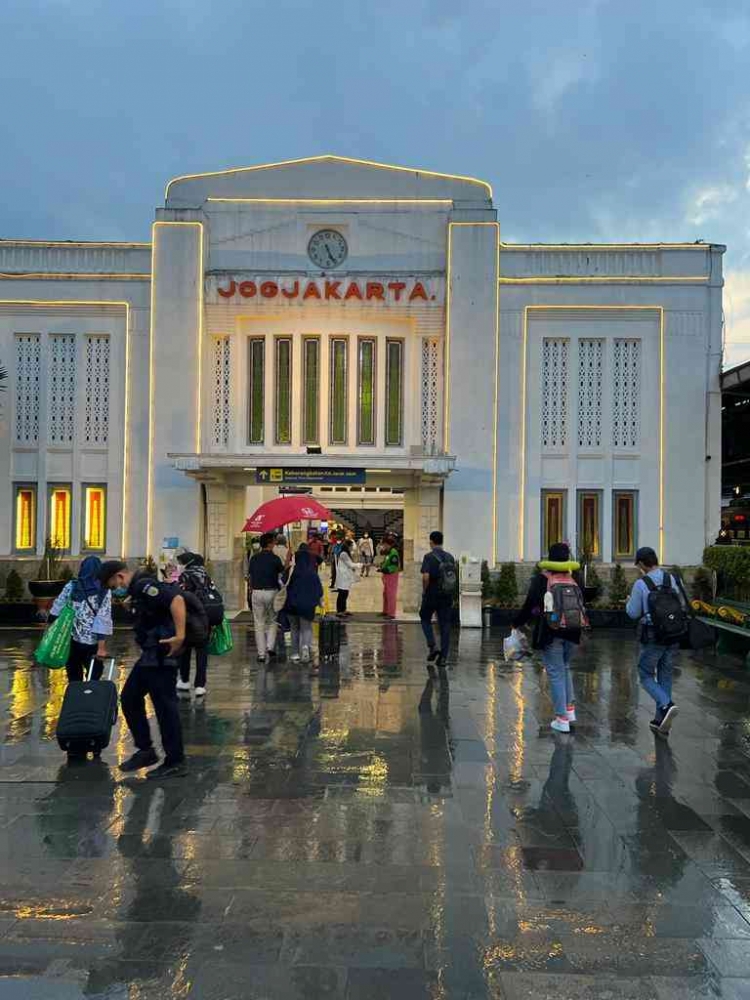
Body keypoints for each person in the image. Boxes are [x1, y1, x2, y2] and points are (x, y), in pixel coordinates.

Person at [98, 560, 188, 779]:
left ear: (120, 576)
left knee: (165, 707)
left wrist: (180, 635)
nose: (114, 590)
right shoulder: (138, 590)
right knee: (129, 697)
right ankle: (146, 750)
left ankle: (175, 761)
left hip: (161, 655)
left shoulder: (143, 586)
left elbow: (176, 600)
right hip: (149, 655)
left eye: (112, 585)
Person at [513, 542, 583, 733]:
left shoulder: (541, 579)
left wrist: (516, 623)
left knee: (555, 672)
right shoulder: (574, 577)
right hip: (573, 630)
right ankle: (569, 710)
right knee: (565, 668)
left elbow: (530, 606)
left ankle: (561, 719)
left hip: (551, 631)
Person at [626, 546, 681, 736]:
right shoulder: (671, 579)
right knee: (665, 673)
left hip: (653, 636)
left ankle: (666, 705)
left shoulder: (642, 584)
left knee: (645, 674)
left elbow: (633, 613)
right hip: (673, 633)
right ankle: (660, 721)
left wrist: (628, 601)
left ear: (641, 563)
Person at [50, 555, 113, 683]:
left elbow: (56, 609)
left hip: (71, 639)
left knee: (74, 678)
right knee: (93, 678)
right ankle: (89, 700)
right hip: (92, 643)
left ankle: (75, 701)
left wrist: (50, 634)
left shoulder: (72, 586)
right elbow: (102, 618)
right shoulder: (103, 590)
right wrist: (101, 647)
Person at [175, 552, 213, 697]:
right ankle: (200, 685)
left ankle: (184, 680)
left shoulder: (185, 576)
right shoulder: (206, 576)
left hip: (188, 617)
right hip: (205, 618)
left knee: (184, 650)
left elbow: (179, 596)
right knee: (202, 652)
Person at [420, 531, 456, 667]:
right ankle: (443, 658)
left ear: (431, 542)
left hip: (432, 594)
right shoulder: (450, 557)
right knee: (445, 625)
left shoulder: (429, 557)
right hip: (446, 595)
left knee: (424, 618)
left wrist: (425, 590)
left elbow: (425, 577)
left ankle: (432, 645)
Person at [247, 532, 284, 662]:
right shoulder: (275, 559)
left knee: (259, 623)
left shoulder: (254, 558)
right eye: (274, 541)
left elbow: (250, 576)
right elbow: (282, 575)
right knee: (272, 620)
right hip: (271, 592)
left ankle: (261, 654)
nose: (275, 544)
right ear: (270, 543)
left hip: (256, 592)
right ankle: (270, 646)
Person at [284, 544, 323, 663]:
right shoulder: (312, 574)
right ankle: (305, 647)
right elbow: (319, 591)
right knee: (306, 628)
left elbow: (282, 582)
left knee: (294, 628)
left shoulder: (292, 572)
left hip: (292, 604)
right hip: (307, 606)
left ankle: (295, 653)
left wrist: (287, 562)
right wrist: (320, 603)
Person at [379, 533, 401, 620]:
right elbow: (386, 562)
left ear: (388, 544)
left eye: (384, 545)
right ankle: (385, 611)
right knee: (385, 594)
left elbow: (394, 566)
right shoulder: (389, 552)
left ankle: (391, 613)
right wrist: (382, 567)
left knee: (391, 594)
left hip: (392, 576)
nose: (383, 546)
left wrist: (385, 570)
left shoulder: (393, 552)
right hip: (387, 575)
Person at [335, 538, 358, 617]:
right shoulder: (343, 554)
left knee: (345, 593)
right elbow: (350, 564)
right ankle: (339, 611)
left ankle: (343, 609)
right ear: (348, 546)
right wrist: (361, 565)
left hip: (345, 577)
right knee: (342, 594)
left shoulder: (346, 553)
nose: (352, 547)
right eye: (351, 546)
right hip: (342, 577)